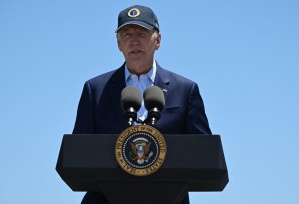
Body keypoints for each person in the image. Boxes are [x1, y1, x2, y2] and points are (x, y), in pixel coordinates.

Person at [73, 5, 212, 204]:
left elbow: (203, 152)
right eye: (127, 34)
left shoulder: (185, 90)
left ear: (158, 40)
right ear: (118, 43)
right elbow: (79, 152)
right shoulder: (95, 90)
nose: (134, 40)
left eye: (142, 33)